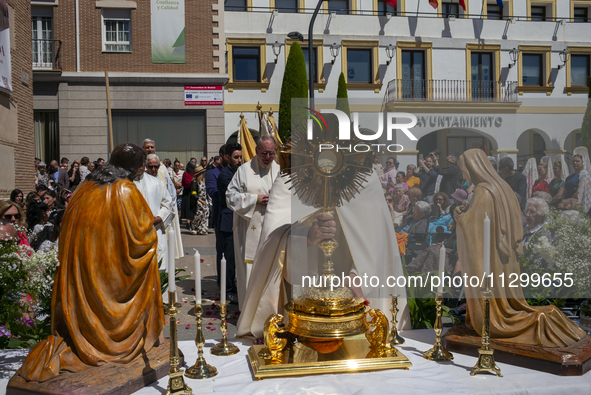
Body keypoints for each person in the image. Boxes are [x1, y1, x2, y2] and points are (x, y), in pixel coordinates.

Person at [19, 143, 165, 383]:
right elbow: (143, 238)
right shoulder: (125, 190)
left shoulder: (83, 188)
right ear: (134, 168)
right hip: (110, 275)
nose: (142, 171)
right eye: (141, 167)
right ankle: (112, 343)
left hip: (82, 273)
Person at [236, 169, 410, 339]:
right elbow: (271, 241)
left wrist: (359, 274)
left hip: (354, 301)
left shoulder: (365, 177)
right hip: (302, 304)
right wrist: (306, 238)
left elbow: (378, 238)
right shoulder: (288, 177)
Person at [454, 148, 585, 347]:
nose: (463, 174)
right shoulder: (501, 186)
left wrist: (459, 216)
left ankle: (498, 321)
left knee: (494, 317)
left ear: (473, 168)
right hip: (502, 257)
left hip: (488, 259)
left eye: (463, 170)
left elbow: (472, 225)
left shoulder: (483, 190)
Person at [226, 136, 280, 308]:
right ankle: (249, 312)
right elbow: (230, 196)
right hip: (248, 229)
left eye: (272, 153)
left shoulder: (280, 170)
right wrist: (254, 199)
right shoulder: (243, 171)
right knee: (250, 270)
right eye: (264, 153)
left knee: (272, 270)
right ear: (256, 151)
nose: (268, 157)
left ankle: (270, 311)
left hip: (274, 229)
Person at [142, 139, 183, 259]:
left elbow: (170, 194)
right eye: (147, 147)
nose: (150, 149)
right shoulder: (139, 173)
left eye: (152, 147)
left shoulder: (163, 169)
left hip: (160, 218)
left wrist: (163, 215)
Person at [134, 154, 174, 273]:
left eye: (141, 164)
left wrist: (159, 218)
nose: (140, 168)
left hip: (155, 230)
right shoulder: (125, 184)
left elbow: (168, 203)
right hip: (134, 233)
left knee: (158, 269)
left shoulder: (156, 183)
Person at [217, 143, 242, 305]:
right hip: (227, 221)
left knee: (234, 258)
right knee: (226, 258)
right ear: (227, 157)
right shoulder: (225, 175)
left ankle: (232, 287)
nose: (239, 160)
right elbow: (237, 194)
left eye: (240, 157)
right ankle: (225, 291)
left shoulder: (238, 172)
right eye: (236, 157)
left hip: (237, 220)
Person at [206, 145, 227, 290]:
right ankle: (224, 283)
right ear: (222, 156)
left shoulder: (239, 172)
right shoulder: (212, 173)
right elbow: (213, 193)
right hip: (222, 217)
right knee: (223, 252)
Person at [190, 166, 208, 235]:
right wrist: (200, 200)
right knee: (199, 215)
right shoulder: (194, 181)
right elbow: (193, 193)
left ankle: (202, 229)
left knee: (206, 213)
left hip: (204, 200)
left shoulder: (203, 181)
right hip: (198, 201)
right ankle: (193, 228)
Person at [181, 160, 196, 228]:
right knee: (187, 207)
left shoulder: (194, 173)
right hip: (187, 192)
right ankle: (188, 223)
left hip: (193, 192)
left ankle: (192, 222)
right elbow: (186, 183)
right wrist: (193, 184)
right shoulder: (185, 173)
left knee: (192, 207)